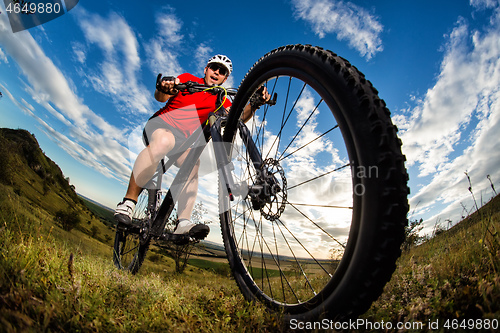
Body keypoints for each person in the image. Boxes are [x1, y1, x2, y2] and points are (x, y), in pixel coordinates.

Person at [114, 55, 270, 240]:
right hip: (160, 127)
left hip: (183, 144)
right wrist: (164, 87)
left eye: (222, 72)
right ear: (206, 69)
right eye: (214, 68)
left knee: (192, 164)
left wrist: (254, 104)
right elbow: (162, 96)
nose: (217, 73)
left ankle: (183, 223)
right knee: (164, 141)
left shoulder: (220, 98)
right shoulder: (188, 79)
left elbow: (237, 117)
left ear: (225, 78)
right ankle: (128, 203)